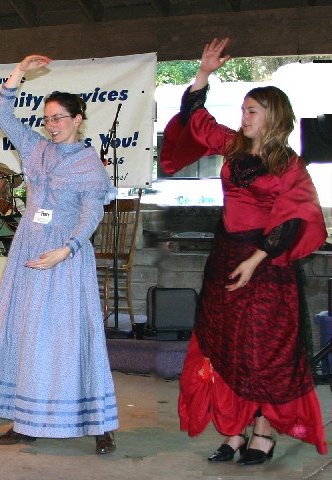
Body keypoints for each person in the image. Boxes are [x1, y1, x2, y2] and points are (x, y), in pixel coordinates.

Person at [165, 37, 328, 464]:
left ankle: (263, 430)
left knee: (261, 351)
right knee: (226, 346)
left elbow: (295, 217)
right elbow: (195, 120)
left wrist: (256, 260)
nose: (243, 118)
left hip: (267, 265)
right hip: (225, 259)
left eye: (251, 111)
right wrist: (203, 73)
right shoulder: (234, 146)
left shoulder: (289, 164)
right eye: (242, 111)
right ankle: (235, 430)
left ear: (271, 117)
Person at [0, 55, 119, 454]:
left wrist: (65, 250)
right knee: (26, 335)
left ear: (78, 118)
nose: (51, 125)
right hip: (27, 255)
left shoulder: (88, 164)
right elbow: (3, 112)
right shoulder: (34, 148)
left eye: (59, 118)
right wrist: (17, 72)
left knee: (71, 337)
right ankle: (26, 420)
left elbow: (91, 213)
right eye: (48, 118)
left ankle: (100, 425)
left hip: (64, 257)